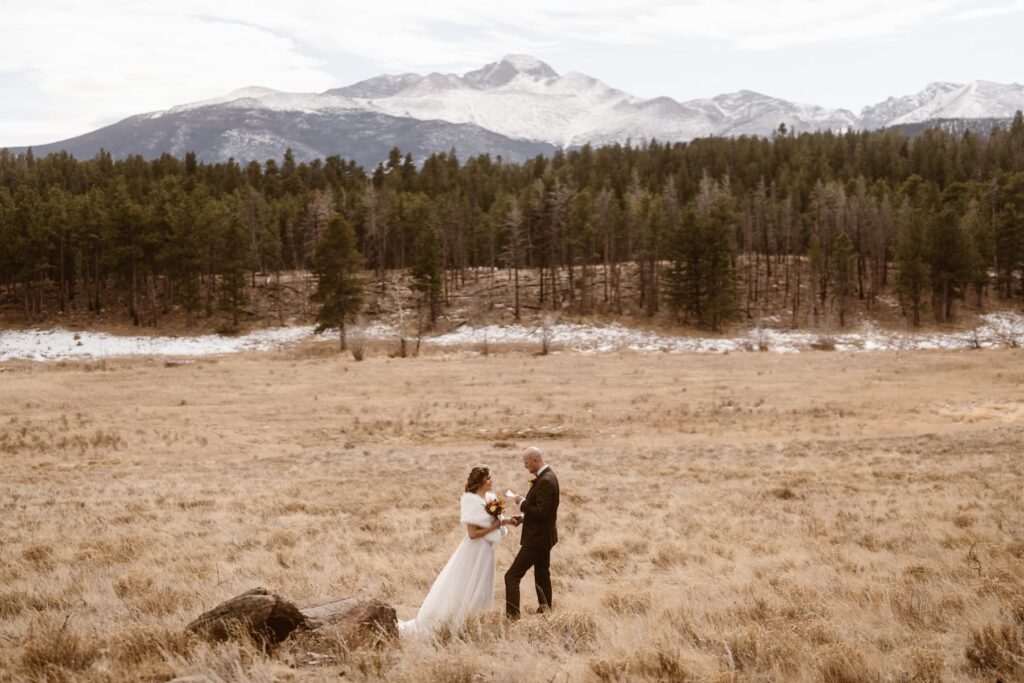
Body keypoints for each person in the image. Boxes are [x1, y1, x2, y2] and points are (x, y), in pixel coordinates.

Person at [399, 465, 517, 637]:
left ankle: (478, 622)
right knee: (467, 583)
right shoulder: (471, 502)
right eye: (489, 478)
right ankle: (459, 622)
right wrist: (496, 525)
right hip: (475, 550)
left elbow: (492, 521)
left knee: (483, 585)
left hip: (487, 551)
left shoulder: (490, 498)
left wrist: (506, 521)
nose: (492, 481)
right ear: (480, 481)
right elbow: (472, 533)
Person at [504, 446, 559, 620]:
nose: (525, 466)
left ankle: (512, 617)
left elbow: (542, 513)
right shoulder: (547, 477)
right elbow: (544, 511)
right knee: (542, 574)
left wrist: (522, 502)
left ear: (535, 460)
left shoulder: (545, 481)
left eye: (526, 463)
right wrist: (523, 517)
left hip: (537, 538)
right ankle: (545, 611)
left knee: (511, 576)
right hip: (544, 536)